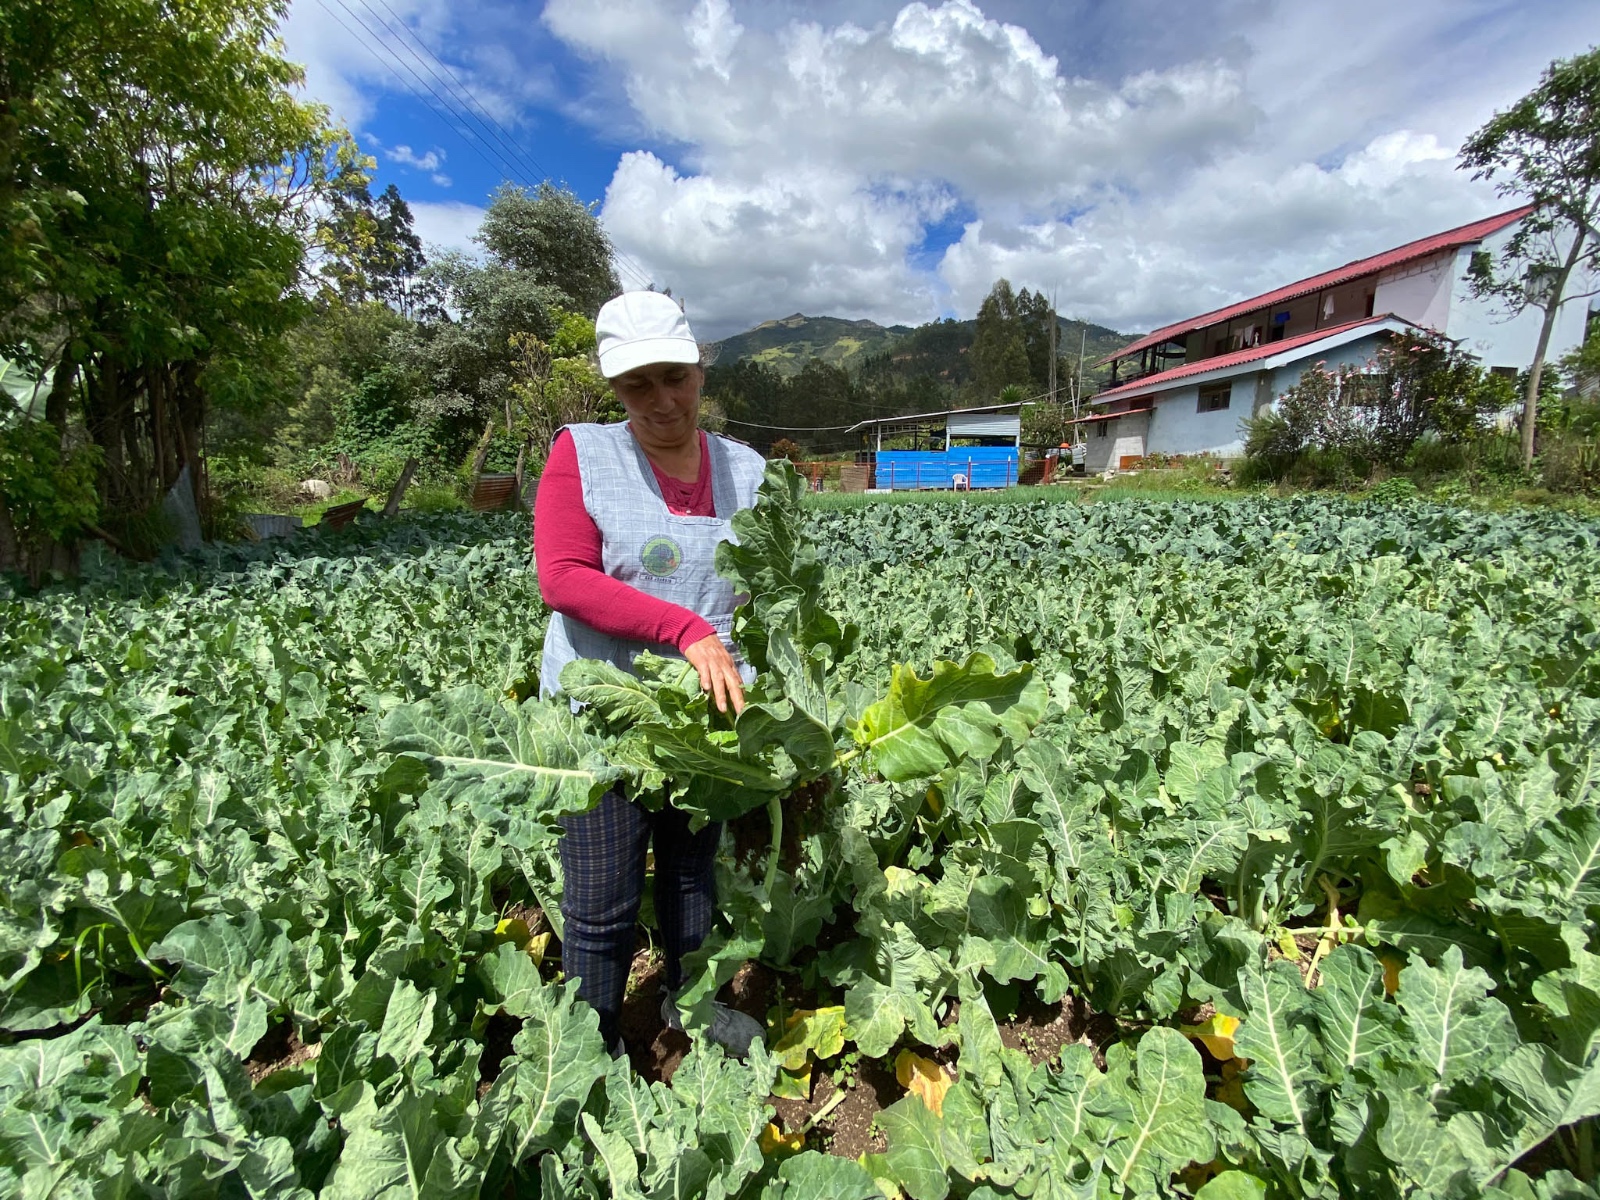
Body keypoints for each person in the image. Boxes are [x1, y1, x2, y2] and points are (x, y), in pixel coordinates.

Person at [533, 290, 767, 1060]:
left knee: (693, 881)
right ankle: (588, 1053)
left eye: (676, 376)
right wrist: (684, 628)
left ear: (702, 367)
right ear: (614, 389)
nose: (662, 400)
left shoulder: (750, 471)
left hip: (702, 720)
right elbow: (564, 576)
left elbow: (766, 592)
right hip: (601, 715)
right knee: (601, 901)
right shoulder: (583, 453)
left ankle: (686, 1007)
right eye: (639, 386)